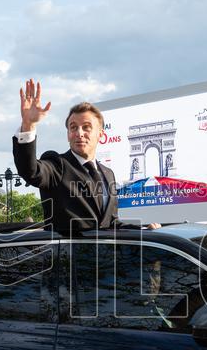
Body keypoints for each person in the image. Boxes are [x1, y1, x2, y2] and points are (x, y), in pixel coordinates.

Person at [12, 79, 159, 234]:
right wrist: (28, 125)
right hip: (65, 256)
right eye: (73, 127)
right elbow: (30, 171)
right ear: (68, 134)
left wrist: (144, 229)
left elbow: (110, 224)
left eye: (86, 127)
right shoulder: (57, 165)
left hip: (102, 257)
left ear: (100, 134)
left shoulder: (108, 174)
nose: (79, 133)